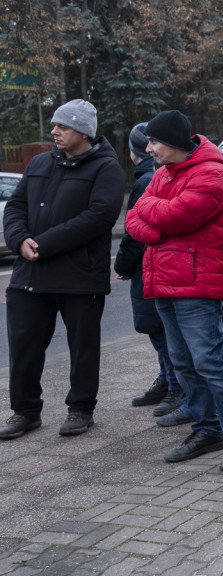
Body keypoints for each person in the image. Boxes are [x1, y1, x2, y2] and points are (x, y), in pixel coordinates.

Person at [126, 109, 223, 472]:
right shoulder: (164, 172)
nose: (148, 149)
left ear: (172, 142)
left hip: (198, 287)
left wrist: (155, 215)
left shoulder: (211, 174)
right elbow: (134, 218)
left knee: (209, 364)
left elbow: (175, 216)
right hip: (165, 283)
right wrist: (158, 224)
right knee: (184, 363)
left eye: (153, 142)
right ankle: (207, 430)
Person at [1, 99, 124, 440]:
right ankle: (25, 412)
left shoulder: (106, 168)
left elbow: (99, 217)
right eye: (54, 125)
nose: (54, 131)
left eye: (62, 126)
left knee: (83, 348)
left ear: (83, 133)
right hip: (30, 275)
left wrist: (43, 243)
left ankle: (81, 409)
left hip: (80, 276)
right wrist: (19, 239)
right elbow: (16, 206)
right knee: (23, 348)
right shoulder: (40, 162)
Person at [114, 122, 189, 423]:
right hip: (152, 265)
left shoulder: (149, 179)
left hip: (153, 266)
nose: (147, 149)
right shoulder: (154, 175)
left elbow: (137, 231)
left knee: (161, 331)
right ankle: (167, 381)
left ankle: (176, 388)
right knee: (159, 329)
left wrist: (122, 265)